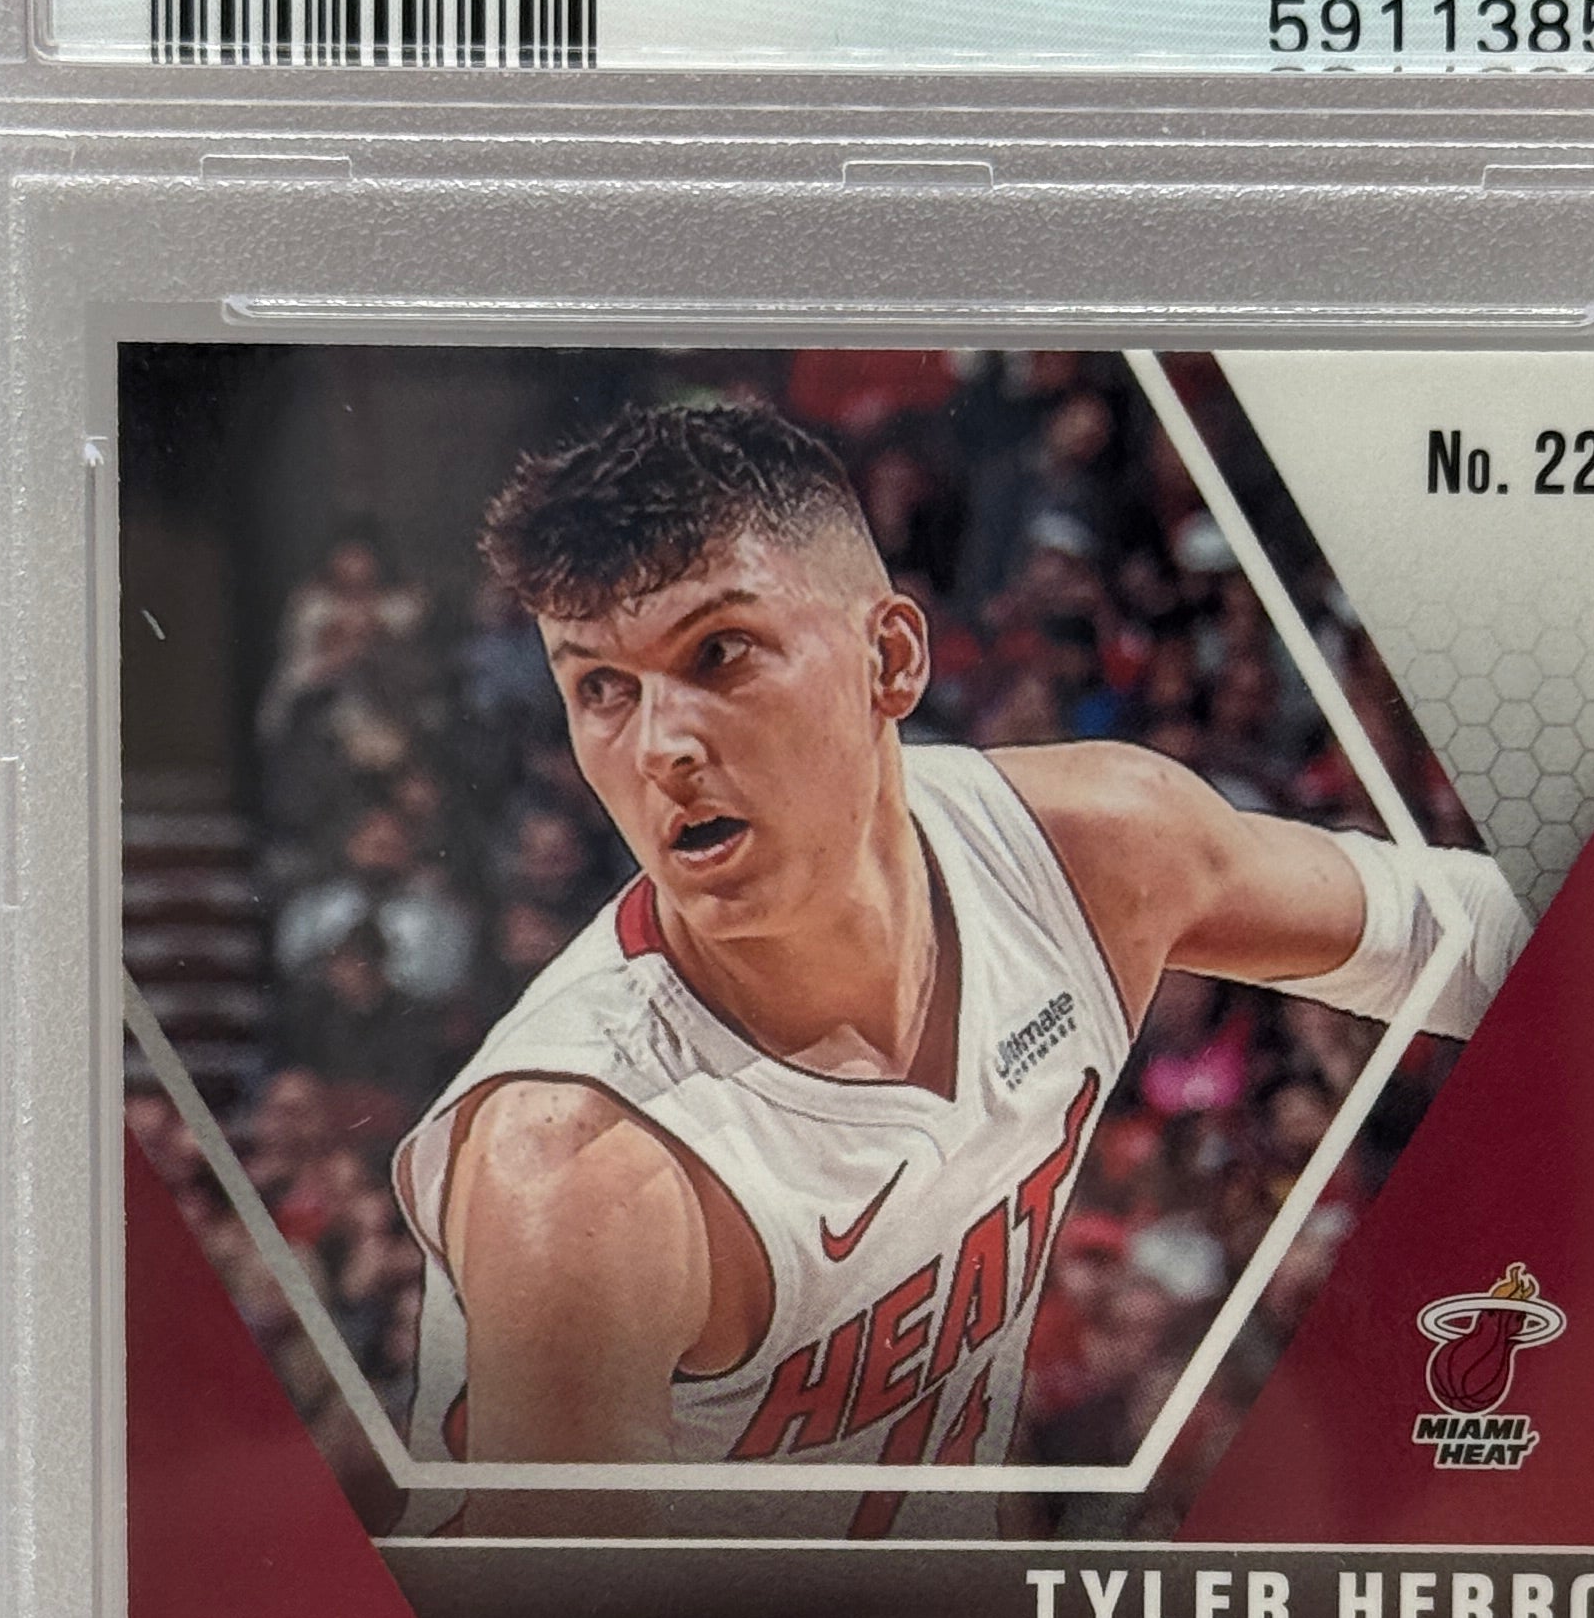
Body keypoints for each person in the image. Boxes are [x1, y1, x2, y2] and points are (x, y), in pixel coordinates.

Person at [391, 401, 1524, 1531]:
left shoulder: (1090, 853)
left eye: (718, 653)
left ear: (891, 659)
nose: (660, 748)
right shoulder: (583, 1167)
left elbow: (1470, 930)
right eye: (601, 687)